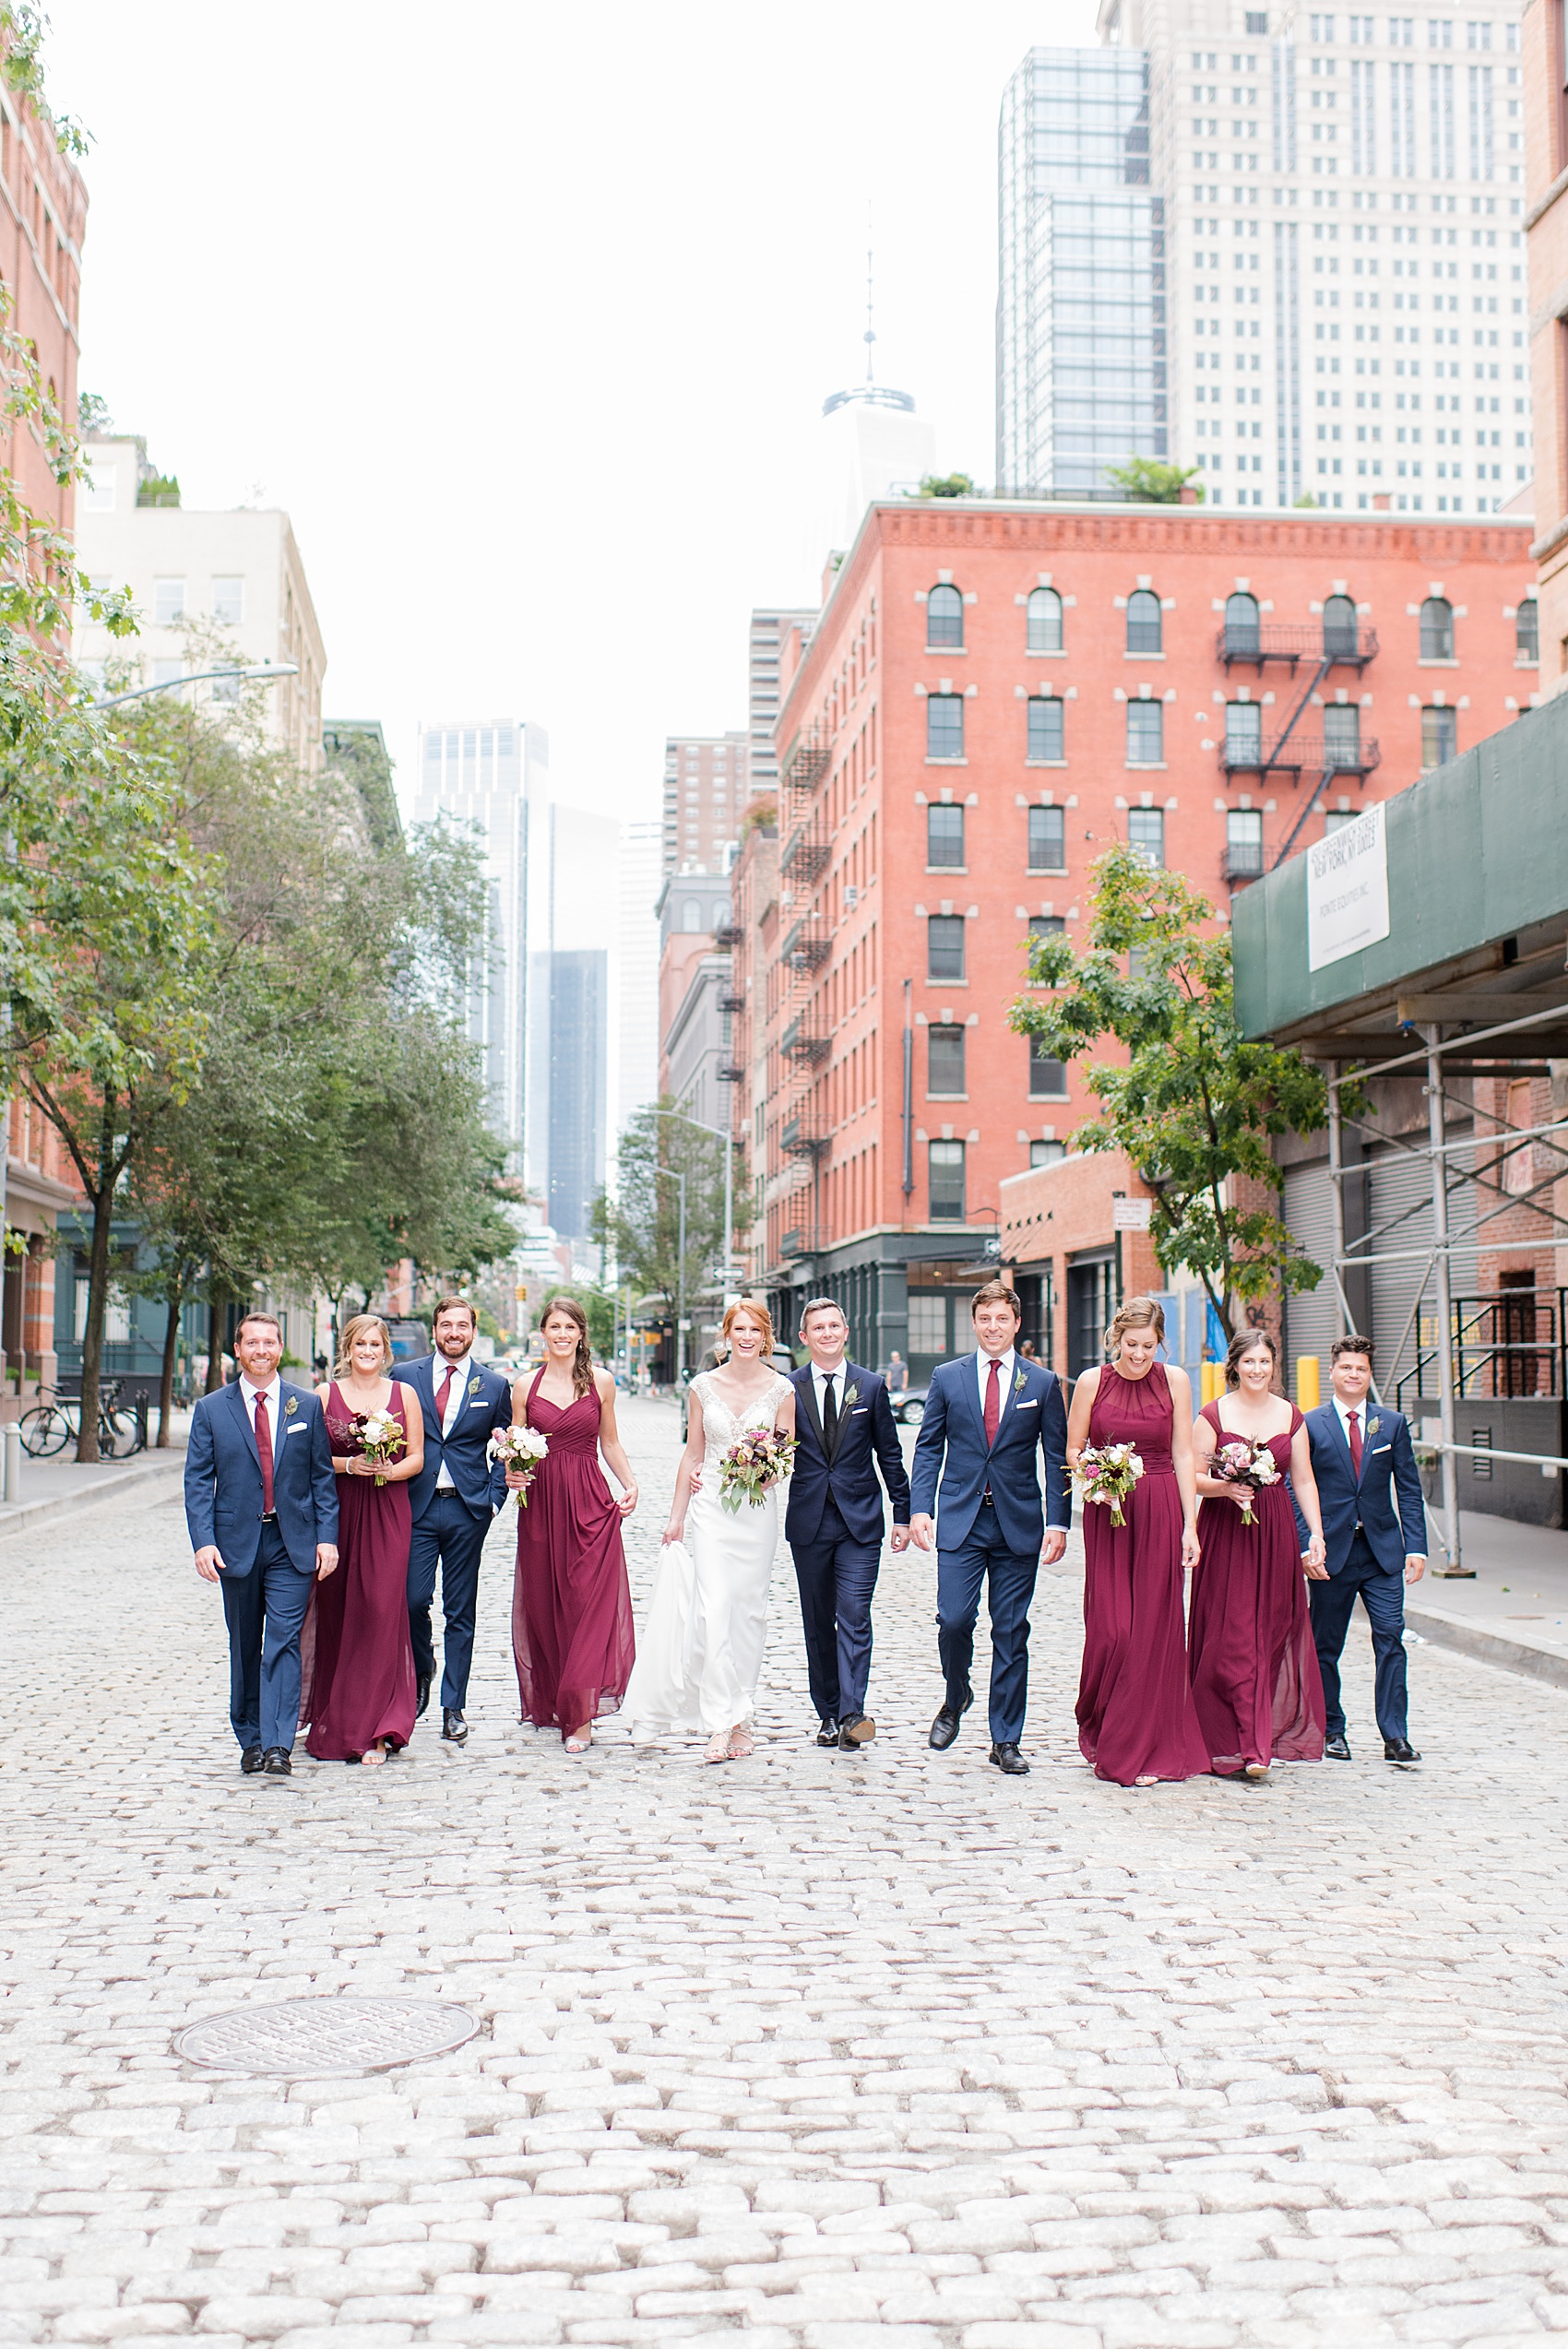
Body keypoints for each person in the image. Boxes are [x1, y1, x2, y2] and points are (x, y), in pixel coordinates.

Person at [909, 1280, 1070, 1777]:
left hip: (1018, 1524)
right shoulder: (947, 1377)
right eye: (985, 1319)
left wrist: (1058, 1521)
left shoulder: (1041, 1384)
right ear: (974, 1323)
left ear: (1016, 1324)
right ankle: (956, 1694)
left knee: (1010, 1631)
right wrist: (919, 1509)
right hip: (960, 1520)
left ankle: (1006, 1739)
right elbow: (929, 1446)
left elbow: (1057, 1456)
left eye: (1003, 1319)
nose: (993, 1327)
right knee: (954, 1620)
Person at [627, 1299, 796, 1764]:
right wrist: (676, 1517)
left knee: (749, 1614)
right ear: (727, 1335)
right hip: (712, 1509)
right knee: (713, 1608)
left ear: (766, 1337)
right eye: (738, 1329)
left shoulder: (783, 1390)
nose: (746, 1337)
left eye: (755, 1330)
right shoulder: (703, 1386)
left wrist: (767, 1472)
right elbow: (692, 1455)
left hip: (757, 1510)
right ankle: (720, 1721)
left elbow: (785, 1454)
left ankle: (743, 1716)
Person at [184, 1311, 339, 1777]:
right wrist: (203, 1542)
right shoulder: (212, 1409)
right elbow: (197, 1480)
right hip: (236, 1545)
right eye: (252, 1342)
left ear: (279, 1347)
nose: (261, 1350)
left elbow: (321, 1479)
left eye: (269, 1342)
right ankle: (249, 1739)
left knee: (283, 1643)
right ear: (239, 1350)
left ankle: (277, 1745)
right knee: (245, 1643)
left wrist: (327, 1538)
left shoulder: (305, 1405)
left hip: (293, 1543)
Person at [1069, 1296, 1209, 1788]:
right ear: (1116, 1339)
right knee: (1113, 1629)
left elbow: (1184, 1454)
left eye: (1149, 1346)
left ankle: (1141, 1745)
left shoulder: (1176, 1381)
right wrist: (1095, 1477)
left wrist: (1190, 1525)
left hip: (1161, 1507)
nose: (1139, 1355)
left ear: (1160, 1343)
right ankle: (1100, 1718)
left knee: (1152, 1632)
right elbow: (1073, 1446)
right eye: (1131, 1345)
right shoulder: (1092, 1382)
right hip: (1108, 1510)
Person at [1189, 1327, 1328, 1780]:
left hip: (1274, 1531)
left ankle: (1251, 1732)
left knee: (1269, 1630)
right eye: (1249, 1362)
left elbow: (1303, 1478)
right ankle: (1249, 1745)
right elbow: (1191, 1478)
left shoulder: (1291, 1415)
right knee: (1231, 1638)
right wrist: (1226, 1486)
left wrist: (1316, 1534)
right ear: (1234, 1366)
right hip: (1225, 1530)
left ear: (1274, 1365)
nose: (1257, 1369)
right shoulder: (1212, 1415)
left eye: (1264, 1362)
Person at [508, 1295, 637, 1752]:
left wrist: (631, 1483)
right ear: (542, 1333)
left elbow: (611, 1443)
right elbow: (515, 1447)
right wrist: (510, 1472)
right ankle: (557, 1698)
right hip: (540, 1504)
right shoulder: (523, 1386)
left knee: (585, 1605)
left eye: (570, 1328)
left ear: (581, 1334)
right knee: (545, 1604)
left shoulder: (602, 1382)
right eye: (554, 1327)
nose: (561, 1335)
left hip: (588, 1502)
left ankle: (580, 1717)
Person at [784, 1298, 911, 1750]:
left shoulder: (872, 1387)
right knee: (818, 1622)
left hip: (861, 1524)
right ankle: (828, 1714)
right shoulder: (787, 1388)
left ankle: (853, 1713)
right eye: (818, 1328)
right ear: (804, 1338)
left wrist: (903, 1513)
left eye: (834, 1325)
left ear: (846, 1331)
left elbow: (889, 1455)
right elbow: (772, 1450)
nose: (827, 1333)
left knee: (855, 1616)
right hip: (810, 1521)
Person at [1297, 1333, 1427, 1765]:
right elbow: (1297, 1489)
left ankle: (1396, 1736)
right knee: (1326, 1644)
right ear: (1332, 1372)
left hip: (1382, 1552)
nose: (1354, 1375)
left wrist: (1417, 1547)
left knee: (1390, 1637)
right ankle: (1332, 1730)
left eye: (1362, 1369)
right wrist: (1305, 1546)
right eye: (1347, 1367)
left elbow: (1408, 1488)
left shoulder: (1390, 1424)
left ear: (1370, 1376)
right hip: (1331, 1552)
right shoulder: (1309, 1424)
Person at [303, 1316, 425, 1766]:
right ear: (347, 1348)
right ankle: (337, 1717)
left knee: (378, 1610)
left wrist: (388, 1471)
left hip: (389, 1510)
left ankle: (377, 1728)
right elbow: (313, 1461)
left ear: (385, 1349)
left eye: (375, 1343)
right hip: (339, 1511)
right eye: (360, 1343)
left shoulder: (403, 1394)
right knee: (338, 1612)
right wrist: (351, 1466)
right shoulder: (323, 1396)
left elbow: (417, 1458)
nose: (367, 1350)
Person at [403, 1296, 514, 1746]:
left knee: (460, 1611)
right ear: (435, 1330)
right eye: (446, 1324)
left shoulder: (494, 1384)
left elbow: (508, 1446)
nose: (454, 1332)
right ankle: (422, 1670)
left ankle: (454, 1706)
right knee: (412, 1600)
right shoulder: (405, 1377)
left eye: (462, 1325)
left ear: (473, 1331)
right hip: (416, 1507)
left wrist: (494, 1500)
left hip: (469, 1509)